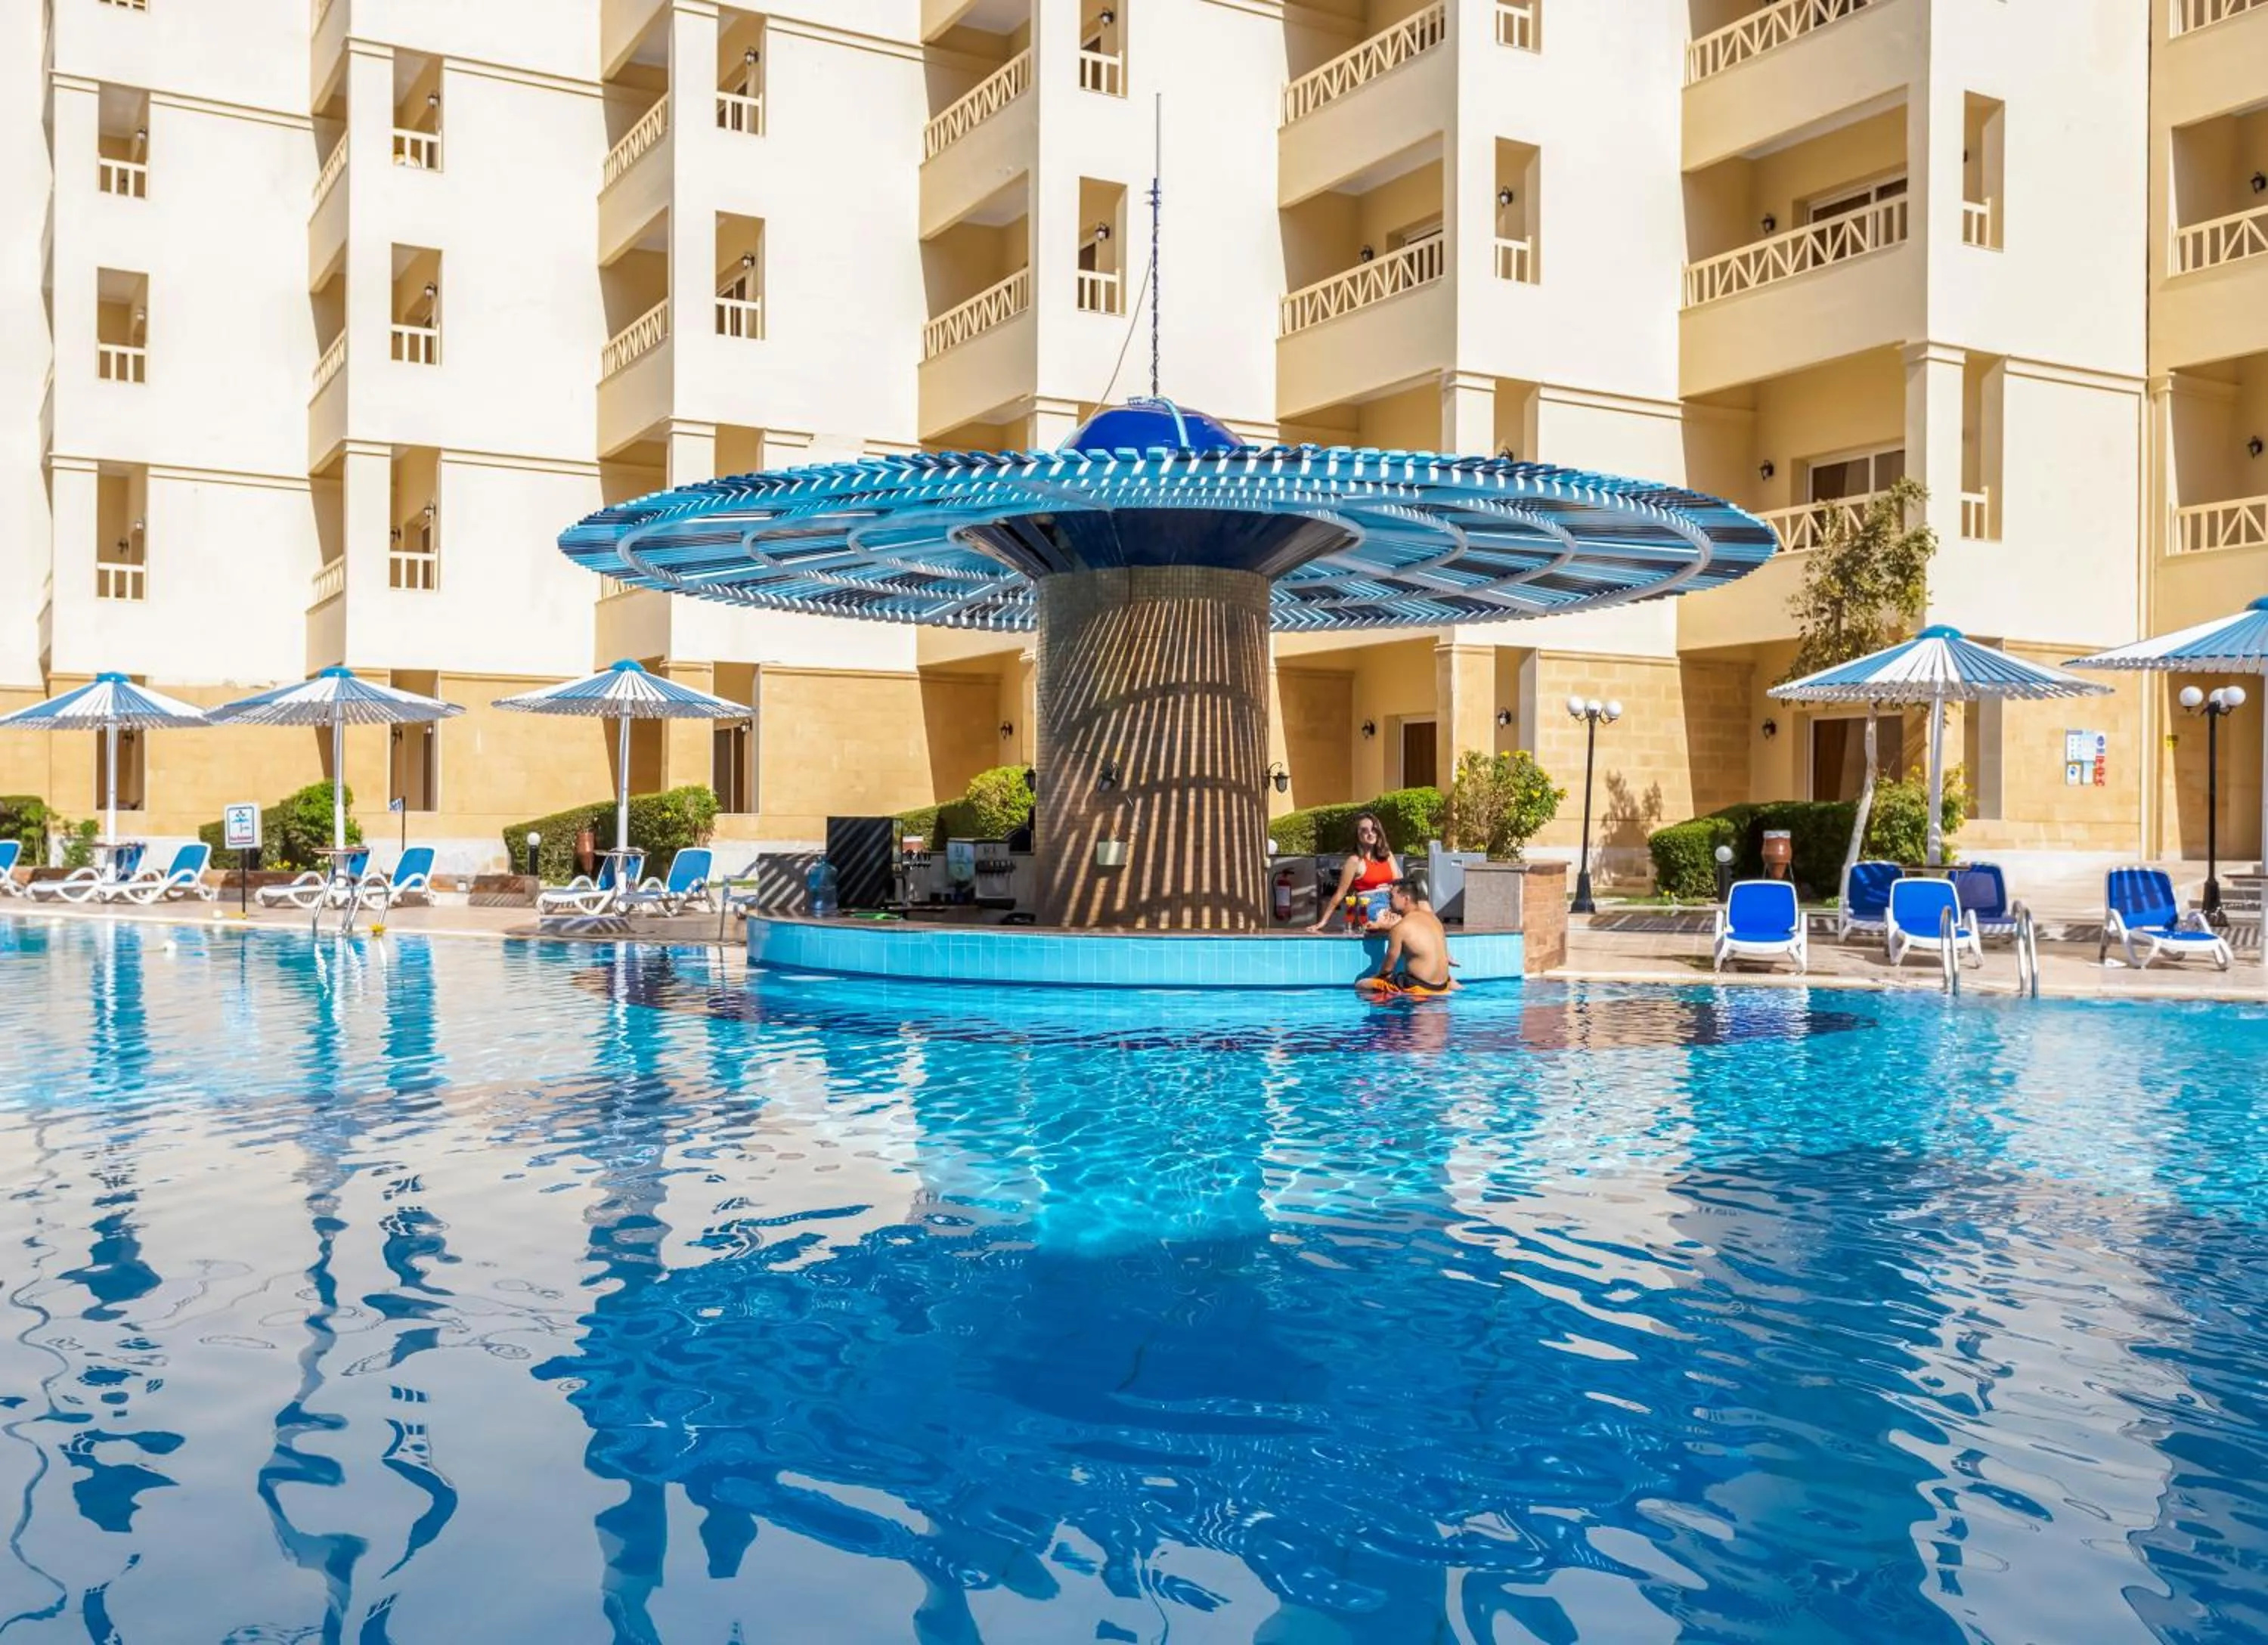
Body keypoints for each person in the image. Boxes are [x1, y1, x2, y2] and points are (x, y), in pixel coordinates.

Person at [1308, 810, 1401, 932]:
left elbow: (1401, 883)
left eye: (1374, 829)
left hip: (1391, 903)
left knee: (1420, 911)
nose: (1370, 834)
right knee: (1399, 923)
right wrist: (1322, 922)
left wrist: (1390, 886)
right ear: (1357, 835)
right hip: (1369, 906)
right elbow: (1339, 894)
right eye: (1364, 830)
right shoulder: (1354, 861)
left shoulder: (1387, 856)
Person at [1359, 880, 1455, 998]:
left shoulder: (1400, 928)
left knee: (1362, 984)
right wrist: (1382, 927)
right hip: (1442, 986)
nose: (1389, 902)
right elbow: (1417, 933)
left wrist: (1377, 976)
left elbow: (1388, 967)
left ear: (1406, 899)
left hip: (1420, 988)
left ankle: (1386, 1011)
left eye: (1392, 897)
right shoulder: (1433, 919)